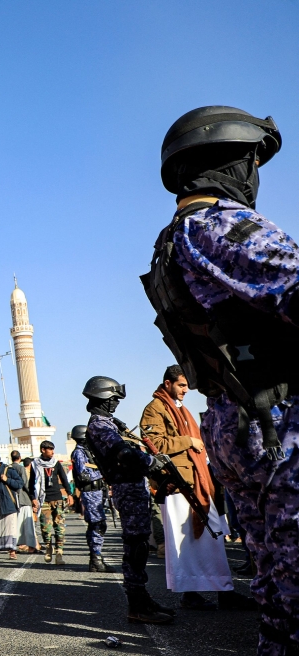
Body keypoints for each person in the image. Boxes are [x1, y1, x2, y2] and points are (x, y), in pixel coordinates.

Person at [144, 106, 299, 652]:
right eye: (251, 161)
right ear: (228, 161)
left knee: (280, 580)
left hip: (240, 416)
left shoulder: (174, 238)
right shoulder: (221, 225)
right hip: (277, 419)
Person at [140, 365, 255, 611]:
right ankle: (197, 595)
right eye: (181, 385)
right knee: (187, 545)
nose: (185, 390)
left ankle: (220, 592)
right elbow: (154, 443)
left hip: (198, 483)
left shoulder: (180, 409)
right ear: (168, 383)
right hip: (179, 485)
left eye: (186, 385)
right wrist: (188, 441)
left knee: (209, 540)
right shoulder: (155, 409)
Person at [82, 376, 173, 624]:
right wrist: (151, 462)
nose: (115, 405)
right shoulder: (100, 426)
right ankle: (137, 604)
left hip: (131, 485)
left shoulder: (108, 423)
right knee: (136, 545)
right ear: (103, 399)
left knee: (140, 543)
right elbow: (123, 453)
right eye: (113, 400)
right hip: (126, 487)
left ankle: (142, 599)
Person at [70, 425, 115, 573]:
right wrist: (101, 473)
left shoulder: (86, 451)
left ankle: (95, 559)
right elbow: (83, 475)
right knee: (98, 525)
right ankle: (96, 558)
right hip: (90, 493)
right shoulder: (79, 453)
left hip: (97, 492)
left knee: (96, 525)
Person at [30, 441, 72, 565]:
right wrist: (33, 498)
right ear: (43, 450)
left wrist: (69, 494)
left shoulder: (56, 464)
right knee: (45, 528)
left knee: (59, 527)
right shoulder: (35, 464)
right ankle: (48, 547)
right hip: (43, 499)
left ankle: (59, 553)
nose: (52, 452)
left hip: (57, 498)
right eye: (50, 449)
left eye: (53, 449)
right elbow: (31, 483)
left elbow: (64, 479)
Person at [0, 453, 22, 559]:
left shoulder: (8, 470)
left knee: (10, 527)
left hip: (8, 502)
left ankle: (12, 551)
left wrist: (7, 480)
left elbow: (20, 483)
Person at [10, 450, 37, 554]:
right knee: (27, 524)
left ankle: (14, 546)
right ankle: (30, 546)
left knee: (15, 524)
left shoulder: (8, 468)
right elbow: (25, 484)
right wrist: (32, 497)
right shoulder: (21, 468)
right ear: (19, 458)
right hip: (23, 499)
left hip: (12, 499)